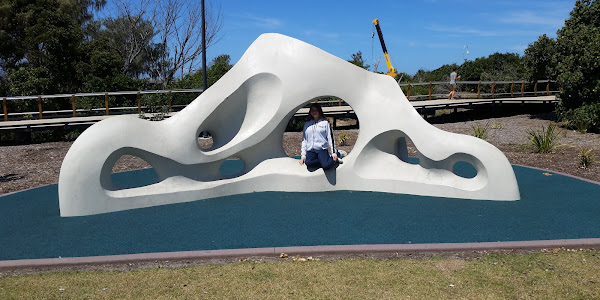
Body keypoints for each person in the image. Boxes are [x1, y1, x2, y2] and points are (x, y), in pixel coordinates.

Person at [299, 103, 343, 170]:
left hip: (322, 149)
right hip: (311, 150)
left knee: (325, 166)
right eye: (312, 110)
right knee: (308, 163)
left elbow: (330, 138)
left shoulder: (325, 123)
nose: (314, 112)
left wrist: (333, 153)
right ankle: (326, 160)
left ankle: (337, 154)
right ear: (310, 112)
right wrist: (303, 156)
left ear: (319, 111)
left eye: (316, 110)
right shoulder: (307, 124)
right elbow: (304, 140)